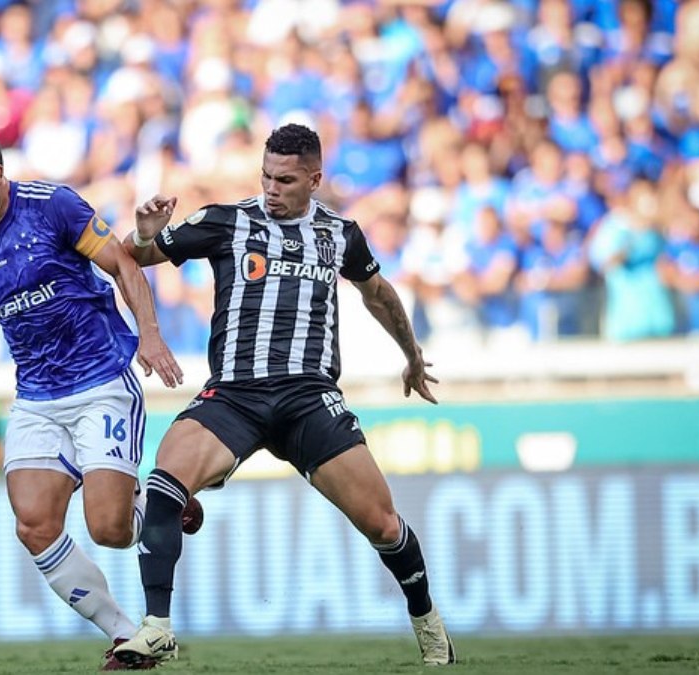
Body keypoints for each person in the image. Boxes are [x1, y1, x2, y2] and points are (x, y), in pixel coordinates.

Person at [113, 123, 455, 667]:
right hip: (234, 396)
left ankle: (427, 620)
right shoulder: (226, 221)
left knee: (384, 524)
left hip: (308, 397)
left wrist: (411, 355)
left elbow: (377, 293)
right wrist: (144, 232)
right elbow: (132, 257)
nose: (272, 189)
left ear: (315, 180)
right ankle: (157, 627)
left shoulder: (342, 234)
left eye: (286, 180)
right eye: (266, 177)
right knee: (165, 477)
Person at [0, 121, 198, 671]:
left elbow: (121, 263)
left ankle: (160, 504)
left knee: (109, 530)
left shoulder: (53, 207)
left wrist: (151, 336)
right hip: (37, 397)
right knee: (34, 525)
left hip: (100, 383)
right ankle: (125, 635)